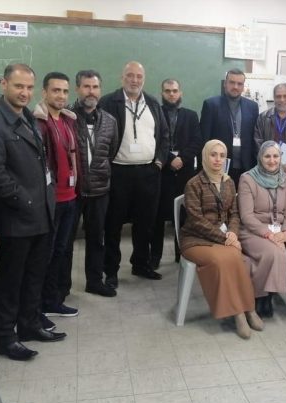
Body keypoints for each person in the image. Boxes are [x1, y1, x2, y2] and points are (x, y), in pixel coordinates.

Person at [0, 63, 66, 362]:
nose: (24, 92)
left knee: (34, 277)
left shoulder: (27, 117)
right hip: (15, 219)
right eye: (18, 86)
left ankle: (29, 325)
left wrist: (45, 200)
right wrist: (26, 202)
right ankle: (5, 338)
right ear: (4, 85)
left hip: (41, 216)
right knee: (10, 281)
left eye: (29, 87)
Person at [180, 139, 263, 339]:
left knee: (235, 256)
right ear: (205, 156)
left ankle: (249, 308)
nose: (218, 159)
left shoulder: (229, 182)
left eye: (222, 155)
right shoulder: (193, 184)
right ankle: (238, 314)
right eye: (213, 154)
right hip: (195, 239)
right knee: (221, 259)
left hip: (224, 237)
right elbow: (196, 220)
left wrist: (232, 233)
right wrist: (224, 237)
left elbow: (234, 213)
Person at [98, 61, 169, 287]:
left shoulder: (153, 103)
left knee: (145, 223)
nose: (134, 80)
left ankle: (141, 264)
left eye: (139, 76)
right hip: (118, 172)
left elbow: (164, 136)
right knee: (113, 224)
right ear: (122, 78)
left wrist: (159, 162)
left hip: (148, 173)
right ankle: (111, 270)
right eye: (130, 75)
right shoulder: (108, 102)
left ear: (144, 79)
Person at [238, 141, 286, 318]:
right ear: (260, 158)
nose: (272, 160)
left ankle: (270, 294)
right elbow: (246, 216)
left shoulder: (285, 179)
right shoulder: (247, 179)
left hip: (280, 231)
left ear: (281, 158)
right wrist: (268, 234)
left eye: (276, 156)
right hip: (253, 231)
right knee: (273, 253)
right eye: (267, 156)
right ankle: (260, 296)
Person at [33, 72, 80, 322]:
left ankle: (52, 301)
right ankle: (38, 305)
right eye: (55, 90)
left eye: (64, 91)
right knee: (46, 255)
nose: (61, 95)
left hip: (70, 197)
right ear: (44, 92)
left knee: (61, 252)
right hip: (50, 201)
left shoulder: (68, 120)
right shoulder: (37, 123)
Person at [70, 69, 119, 297]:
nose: (91, 91)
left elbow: (111, 152)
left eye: (95, 87)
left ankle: (95, 281)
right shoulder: (67, 118)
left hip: (100, 190)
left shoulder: (110, 121)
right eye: (86, 86)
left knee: (96, 239)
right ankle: (60, 286)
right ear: (78, 89)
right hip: (72, 191)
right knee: (64, 242)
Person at [149, 78, 202, 269]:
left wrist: (182, 158)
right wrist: (170, 158)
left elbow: (197, 141)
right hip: (162, 171)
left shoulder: (191, 115)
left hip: (185, 173)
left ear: (180, 93)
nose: (171, 94)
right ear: (162, 93)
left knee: (184, 217)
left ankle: (183, 255)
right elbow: (152, 140)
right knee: (157, 217)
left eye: (175, 90)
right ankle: (155, 257)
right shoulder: (155, 113)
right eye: (167, 91)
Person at [200, 68, 259, 184]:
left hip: (246, 167)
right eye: (232, 82)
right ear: (225, 84)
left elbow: (254, 138)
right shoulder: (211, 105)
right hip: (219, 166)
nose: (235, 87)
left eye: (239, 84)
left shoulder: (252, 107)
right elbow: (204, 139)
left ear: (243, 86)